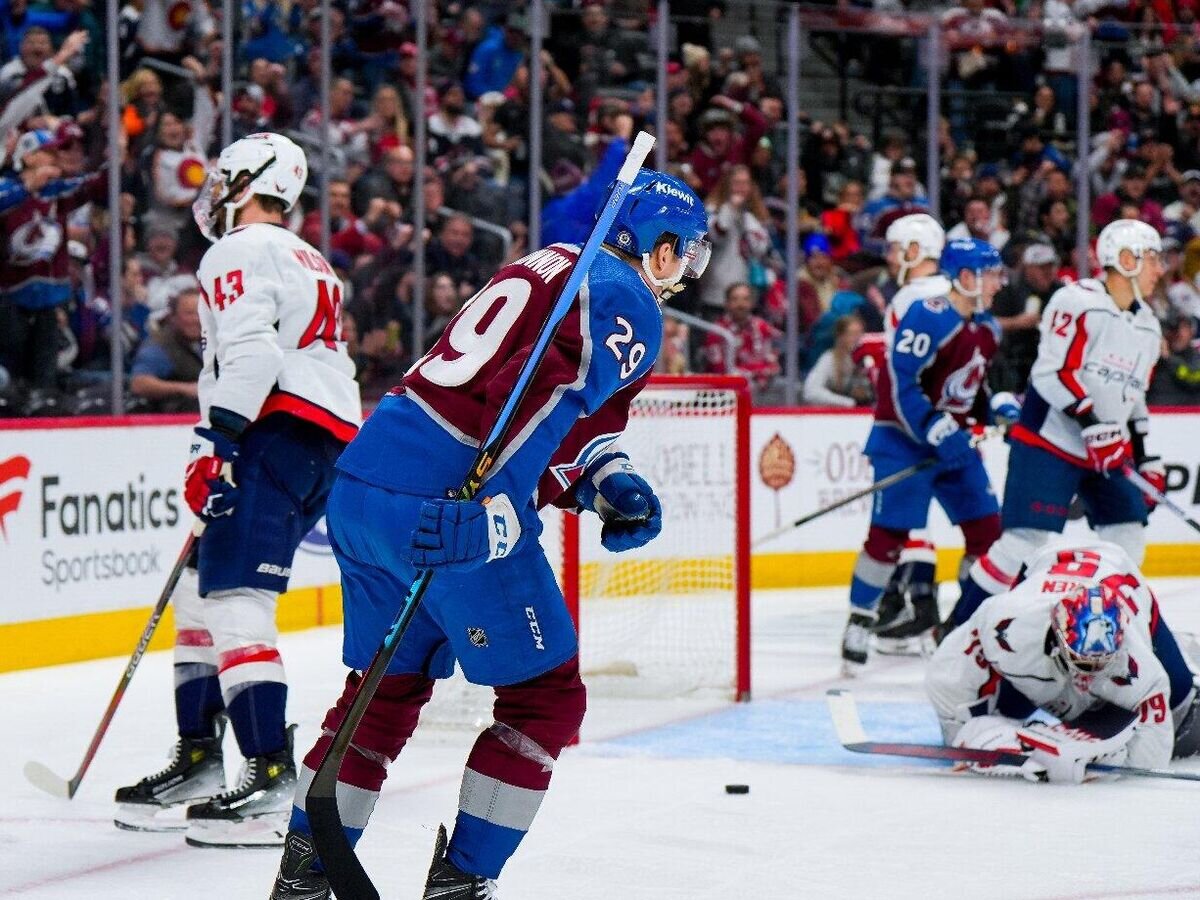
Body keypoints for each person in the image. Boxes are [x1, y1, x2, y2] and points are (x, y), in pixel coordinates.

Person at [268, 170, 711, 899]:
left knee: (381, 694)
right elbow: (532, 402)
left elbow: (563, 420)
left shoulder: (547, 263)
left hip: (365, 487)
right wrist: (498, 516)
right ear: (651, 243)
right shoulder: (625, 294)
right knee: (546, 700)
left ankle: (302, 881)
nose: (679, 271)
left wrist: (608, 480)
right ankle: (461, 886)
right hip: (448, 504)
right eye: (678, 251)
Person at [113, 133, 361, 847]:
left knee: (234, 603)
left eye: (224, 178)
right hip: (312, 438)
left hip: (274, 434)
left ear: (250, 181)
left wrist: (220, 439)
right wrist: (213, 438)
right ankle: (198, 757)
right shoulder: (307, 256)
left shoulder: (238, 248)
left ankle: (269, 776)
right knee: (199, 590)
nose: (214, 189)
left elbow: (252, 354)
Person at [950, 220, 1166, 631]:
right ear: (1126, 260)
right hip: (1049, 440)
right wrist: (1092, 423)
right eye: (1152, 259)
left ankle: (1108, 633)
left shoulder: (1147, 326)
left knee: (1127, 539)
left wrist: (1145, 457)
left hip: (1104, 449)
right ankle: (959, 628)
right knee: (1021, 543)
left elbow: (1132, 397)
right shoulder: (1076, 301)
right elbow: (1051, 373)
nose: (1160, 269)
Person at [841, 237, 1010, 671]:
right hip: (903, 439)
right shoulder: (928, 316)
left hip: (951, 443)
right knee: (888, 537)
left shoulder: (988, 327)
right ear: (966, 277)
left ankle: (961, 626)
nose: (997, 282)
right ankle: (859, 620)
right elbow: (901, 382)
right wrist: (934, 425)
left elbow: (972, 386)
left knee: (988, 534)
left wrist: (995, 409)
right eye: (990, 273)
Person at [927, 541, 1200, 781]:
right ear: (1057, 635)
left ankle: (1181, 648)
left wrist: (1105, 761)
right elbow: (946, 675)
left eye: (1100, 663)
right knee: (1008, 703)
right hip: (1044, 567)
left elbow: (1152, 759)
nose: (1090, 673)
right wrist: (972, 737)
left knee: (1184, 718)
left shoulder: (1136, 657)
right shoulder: (1007, 625)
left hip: (1123, 578)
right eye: (1084, 664)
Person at [989, 242, 1064, 393]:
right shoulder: (1008, 289)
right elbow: (990, 322)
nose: (1048, 272)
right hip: (1013, 358)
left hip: (1048, 359)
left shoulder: (1060, 291)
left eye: (1051, 266)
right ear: (1028, 268)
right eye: (1042, 267)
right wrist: (1018, 322)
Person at [128, 285, 203, 412]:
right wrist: (185, 389)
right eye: (189, 313)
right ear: (173, 316)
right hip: (173, 418)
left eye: (199, 313)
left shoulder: (211, 340)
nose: (195, 319)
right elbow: (139, 384)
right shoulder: (160, 346)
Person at [702, 281, 781, 394]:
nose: (741, 304)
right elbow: (721, 371)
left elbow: (773, 365)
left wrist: (759, 372)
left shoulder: (762, 327)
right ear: (727, 303)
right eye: (735, 299)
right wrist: (756, 372)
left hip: (761, 387)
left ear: (752, 303)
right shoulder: (717, 332)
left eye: (745, 299)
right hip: (724, 393)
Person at [803, 314, 872, 408]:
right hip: (836, 415)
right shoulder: (829, 359)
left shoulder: (869, 359)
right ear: (841, 336)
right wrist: (849, 402)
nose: (858, 339)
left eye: (860, 334)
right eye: (853, 334)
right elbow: (811, 391)